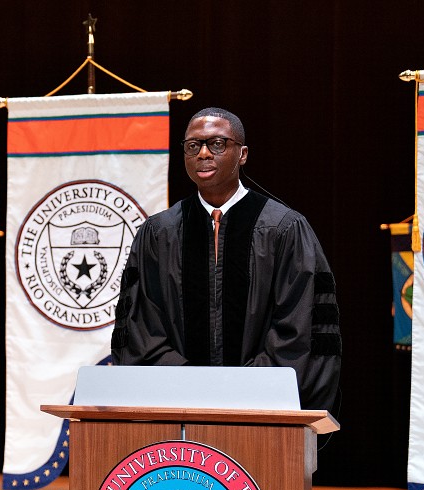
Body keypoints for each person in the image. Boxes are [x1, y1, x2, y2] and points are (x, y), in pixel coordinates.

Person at [110, 107, 341, 414]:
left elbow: (301, 326)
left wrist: (242, 388)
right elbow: (141, 327)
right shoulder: (158, 233)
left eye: (217, 144)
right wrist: (193, 386)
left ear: (242, 154)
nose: (203, 153)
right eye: (193, 146)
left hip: (263, 407)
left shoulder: (285, 228)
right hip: (177, 408)